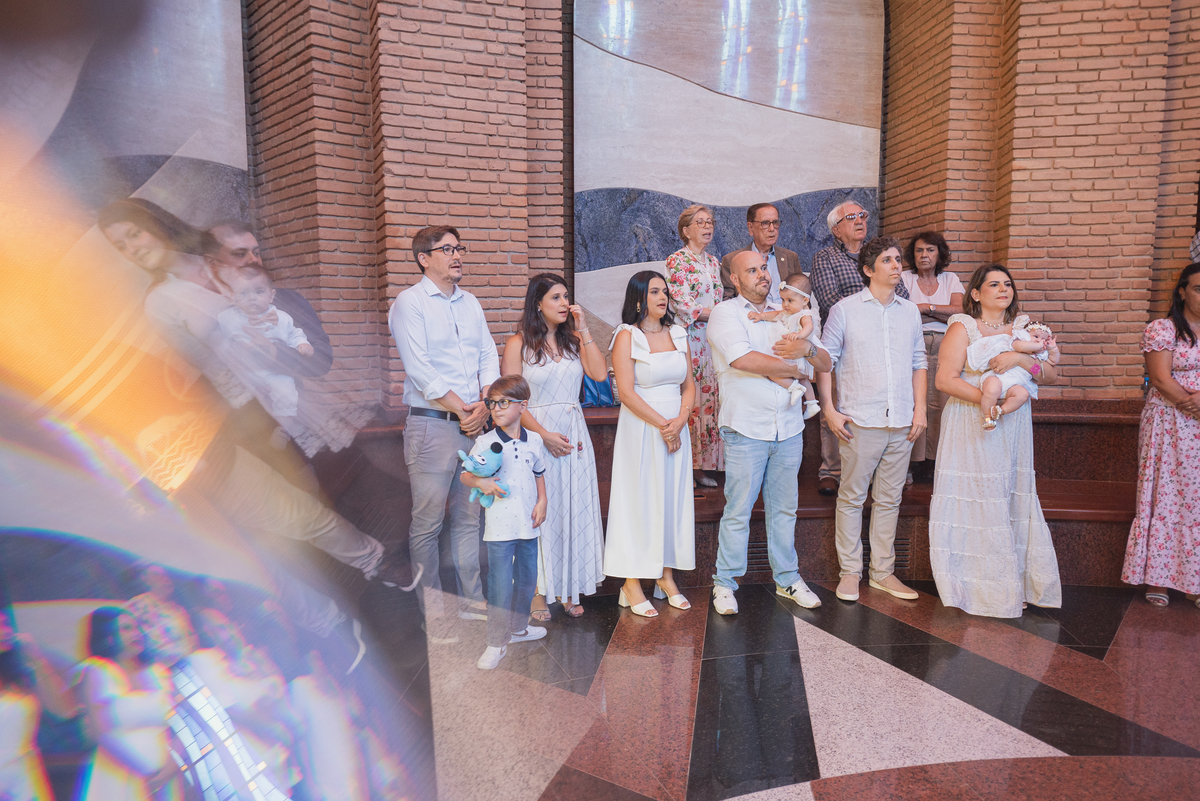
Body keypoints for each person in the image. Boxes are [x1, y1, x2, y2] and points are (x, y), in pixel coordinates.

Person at [929, 264, 1062, 618]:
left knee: (1007, 494)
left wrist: (1019, 358)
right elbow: (944, 379)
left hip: (1015, 424)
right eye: (993, 284)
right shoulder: (963, 326)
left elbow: (1048, 374)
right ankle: (969, 585)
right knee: (977, 495)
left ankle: (1010, 584)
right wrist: (991, 402)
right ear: (976, 293)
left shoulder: (1026, 329)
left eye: (1007, 284)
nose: (1003, 289)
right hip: (973, 418)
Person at [707, 251, 832, 614]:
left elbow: (824, 361)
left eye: (764, 268)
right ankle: (724, 583)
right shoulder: (726, 313)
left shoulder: (792, 309)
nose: (762, 274)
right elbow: (742, 359)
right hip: (746, 425)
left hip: (789, 427)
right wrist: (796, 370)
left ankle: (788, 579)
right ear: (734, 277)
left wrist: (806, 349)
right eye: (752, 270)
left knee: (784, 509)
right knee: (739, 509)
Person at [389, 224, 500, 623]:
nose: (457, 256)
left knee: (470, 518)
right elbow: (421, 370)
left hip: (475, 425)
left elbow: (488, 354)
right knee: (429, 522)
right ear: (424, 258)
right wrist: (465, 411)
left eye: (459, 248)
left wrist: (486, 403)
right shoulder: (410, 302)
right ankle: (433, 611)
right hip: (433, 426)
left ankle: (472, 601)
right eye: (447, 249)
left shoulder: (470, 302)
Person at [818, 236, 927, 603]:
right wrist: (829, 409)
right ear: (868, 269)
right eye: (887, 260)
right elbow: (823, 360)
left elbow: (919, 363)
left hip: (901, 419)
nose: (897, 265)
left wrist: (921, 409)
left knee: (889, 500)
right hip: (859, 420)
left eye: (898, 259)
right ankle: (850, 572)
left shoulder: (909, 311)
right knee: (851, 497)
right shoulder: (845, 309)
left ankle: (883, 573)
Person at [501, 273, 606, 619]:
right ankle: (536, 592)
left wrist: (584, 326)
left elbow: (600, 375)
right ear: (538, 304)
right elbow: (511, 400)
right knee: (539, 513)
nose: (564, 304)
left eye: (566, 297)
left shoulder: (575, 340)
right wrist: (544, 435)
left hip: (573, 434)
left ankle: (568, 587)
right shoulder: (518, 343)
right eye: (556, 298)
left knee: (571, 511)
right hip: (535, 437)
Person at [603, 271, 697, 617]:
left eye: (665, 291)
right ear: (639, 298)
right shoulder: (627, 335)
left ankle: (666, 576)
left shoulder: (678, 333)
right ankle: (631, 582)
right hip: (643, 429)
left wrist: (681, 420)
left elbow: (690, 385)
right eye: (655, 291)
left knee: (671, 498)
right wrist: (662, 425)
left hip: (676, 428)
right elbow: (625, 392)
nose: (663, 297)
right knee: (639, 500)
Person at [810, 201, 908, 495]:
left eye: (862, 215)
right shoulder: (825, 257)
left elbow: (901, 293)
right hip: (843, 340)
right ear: (836, 229)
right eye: (850, 217)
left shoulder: (882, 256)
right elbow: (830, 299)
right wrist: (873, 297)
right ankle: (831, 469)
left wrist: (877, 294)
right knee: (838, 403)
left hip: (884, 344)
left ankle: (880, 467)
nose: (859, 221)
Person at [1122, 262, 1200, 608]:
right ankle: (1160, 578)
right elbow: (1160, 377)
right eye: (1198, 288)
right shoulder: (1164, 329)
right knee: (1166, 495)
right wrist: (1191, 404)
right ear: (1182, 291)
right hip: (1169, 422)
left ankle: (1193, 580)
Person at [460, 375, 549, 669]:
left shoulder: (534, 440)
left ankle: (518, 628)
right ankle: (496, 643)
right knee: (500, 587)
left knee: (527, 582)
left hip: (528, 526)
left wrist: (542, 501)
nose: (496, 409)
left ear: (523, 405)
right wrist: (480, 483)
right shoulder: (484, 441)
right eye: (492, 403)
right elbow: (466, 475)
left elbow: (538, 473)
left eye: (503, 403)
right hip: (499, 529)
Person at [202, 220, 335, 380]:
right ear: (212, 263)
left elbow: (322, 360)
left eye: (256, 253)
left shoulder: (289, 301)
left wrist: (275, 353)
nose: (254, 260)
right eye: (240, 254)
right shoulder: (196, 305)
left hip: (280, 402)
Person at [76, 608, 176, 801]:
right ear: (108, 636)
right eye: (126, 629)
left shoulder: (158, 673)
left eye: (137, 628)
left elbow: (180, 725)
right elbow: (99, 732)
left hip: (164, 776)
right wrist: (147, 773)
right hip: (117, 774)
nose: (135, 634)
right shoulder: (98, 671)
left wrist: (165, 773)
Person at [217, 264, 314, 444]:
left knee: (286, 390)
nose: (251, 298)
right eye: (244, 293)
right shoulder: (227, 317)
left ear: (271, 295)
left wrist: (302, 344)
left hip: (274, 371)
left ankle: (284, 427)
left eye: (259, 292)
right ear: (233, 296)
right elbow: (218, 340)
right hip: (244, 370)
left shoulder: (282, 318)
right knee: (235, 393)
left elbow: (294, 333)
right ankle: (237, 429)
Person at [667, 204, 726, 489]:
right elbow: (682, 304)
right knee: (693, 400)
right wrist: (719, 314)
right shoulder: (676, 260)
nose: (707, 226)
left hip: (713, 338)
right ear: (686, 230)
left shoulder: (714, 262)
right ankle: (688, 466)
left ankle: (708, 463)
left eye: (710, 221)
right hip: (690, 337)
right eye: (700, 222)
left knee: (711, 400)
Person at [900, 232, 964, 472]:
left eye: (930, 250)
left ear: (939, 254)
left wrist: (926, 308)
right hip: (913, 343)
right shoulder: (904, 278)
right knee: (915, 401)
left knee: (942, 402)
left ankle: (938, 464)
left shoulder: (950, 279)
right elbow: (903, 313)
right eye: (918, 250)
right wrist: (940, 313)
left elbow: (960, 313)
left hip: (948, 346)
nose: (923, 255)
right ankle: (907, 466)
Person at [745, 277, 822, 416]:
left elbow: (809, 326)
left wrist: (800, 335)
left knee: (772, 372)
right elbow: (775, 315)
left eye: (790, 301)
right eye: (783, 300)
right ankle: (811, 404)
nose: (785, 304)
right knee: (803, 379)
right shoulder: (788, 312)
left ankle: (794, 388)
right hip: (791, 353)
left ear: (805, 301)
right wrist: (760, 316)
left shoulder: (804, 314)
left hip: (796, 353)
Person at [970, 320, 1060, 429]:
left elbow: (1052, 362)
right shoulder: (1019, 341)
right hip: (998, 377)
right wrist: (1038, 346)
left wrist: (1053, 349)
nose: (1039, 341)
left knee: (1023, 394)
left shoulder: (1040, 354)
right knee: (992, 390)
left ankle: (1001, 410)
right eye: (1035, 336)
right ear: (1025, 335)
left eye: (1043, 339)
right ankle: (988, 417)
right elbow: (1020, 347)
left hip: (1015, 384)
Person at [719, 202, 804, 306]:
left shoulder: (790, 257)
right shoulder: (733, 259)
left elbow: (802, 295)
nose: (772, 229)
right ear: (750, 228)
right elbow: (728, 301)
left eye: (775, 222)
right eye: (765, 223)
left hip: (786, 318)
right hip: (751, 318)